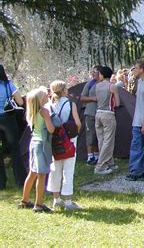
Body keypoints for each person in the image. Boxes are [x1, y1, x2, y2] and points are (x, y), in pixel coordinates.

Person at [46, 80, 82, 210]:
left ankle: (56, 199)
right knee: (68, 169)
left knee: (55, 169)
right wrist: (76, 132)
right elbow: (77, 123)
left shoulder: (49, 105)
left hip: (54, 139)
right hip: (69, 139)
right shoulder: (70, 104)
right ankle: (68, 201)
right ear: (65, 90)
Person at [19, 88, 56, 212]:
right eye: (46, 95)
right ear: (41, 99)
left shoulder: (32, 112)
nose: (48, 96)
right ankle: (38, 204)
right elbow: (51, 129)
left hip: (33, 143)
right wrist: (50, 119)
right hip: (41, 144)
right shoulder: (44, 111)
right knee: (42, 174)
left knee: (32, 173)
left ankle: (25, 200)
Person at [0, 65, 26, 189]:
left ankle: (1, 183)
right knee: (15, 149)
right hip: (8, 119)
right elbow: (20, 102)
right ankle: (20, 180)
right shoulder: (8, 85)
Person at [94, 67, 121, 175]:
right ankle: (100, 166)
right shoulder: (112, 86)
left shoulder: (97, 86)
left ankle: (109, 162)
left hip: (98, 113)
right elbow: (117, 103)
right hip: (108, 114)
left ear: (101, 75)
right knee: (108, 140)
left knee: (101, 140)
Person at [80, 65, 101, 165]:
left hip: (101, 112)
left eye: (95, 71)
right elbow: (82, 98)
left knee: (98, 135)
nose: (93, 73)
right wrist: (92, 98)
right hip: (90, 112)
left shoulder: (104, 83)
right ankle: (90, 157)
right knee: (90, 135)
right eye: (93, 72)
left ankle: (97, 156)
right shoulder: (90, 84)